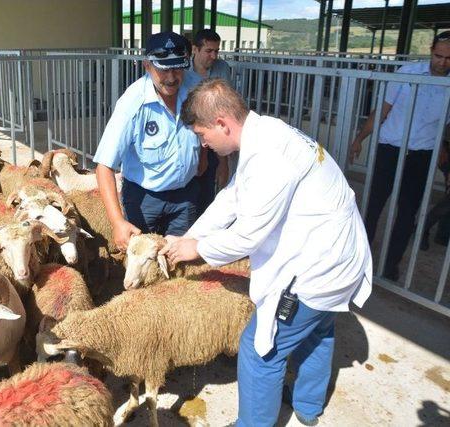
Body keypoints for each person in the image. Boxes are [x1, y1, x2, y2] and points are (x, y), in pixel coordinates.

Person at [161, 79, 373, 426]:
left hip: (318, 269)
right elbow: (233, 196)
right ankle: (307, 406)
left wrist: (195, 250)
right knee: (317, 329)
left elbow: (246, 237)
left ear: (222, 123)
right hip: (340, 255)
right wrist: (191, 235)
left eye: (202, 135)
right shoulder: (265, 133)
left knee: (260, 352)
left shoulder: (270, 158)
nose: (203, 143)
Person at [349, 31, 450, 280]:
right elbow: (382, 111)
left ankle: (390, 266)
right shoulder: (407, 73)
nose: (443, 62)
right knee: (372, 206)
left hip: (421, 155)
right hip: (390, 150)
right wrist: (359, 138)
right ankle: (360, 261)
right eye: (439, 56)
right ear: (431, 50)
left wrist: (444, 155)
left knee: (407, 213)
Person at [94, 31, 202, 250]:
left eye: (178, 67)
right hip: (145, 200)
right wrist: (118, 222)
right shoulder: (132, 103)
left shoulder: (196, 89)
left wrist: (205, 156)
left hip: (186, 196)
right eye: (163, 68)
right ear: (147, 66)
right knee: (143, 268)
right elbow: (104, 166)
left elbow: (207, 125)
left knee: (181, 264)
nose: (172, 77)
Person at [188, 29, 231, 216]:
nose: (214, 56)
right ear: (195, 49)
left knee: (207, 186)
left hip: (213, 136)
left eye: (216, 51)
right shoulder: (183, 71)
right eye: (208, 51)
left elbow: (224, 107)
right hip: (189, 135)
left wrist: (224, 161)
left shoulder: (223, 68)